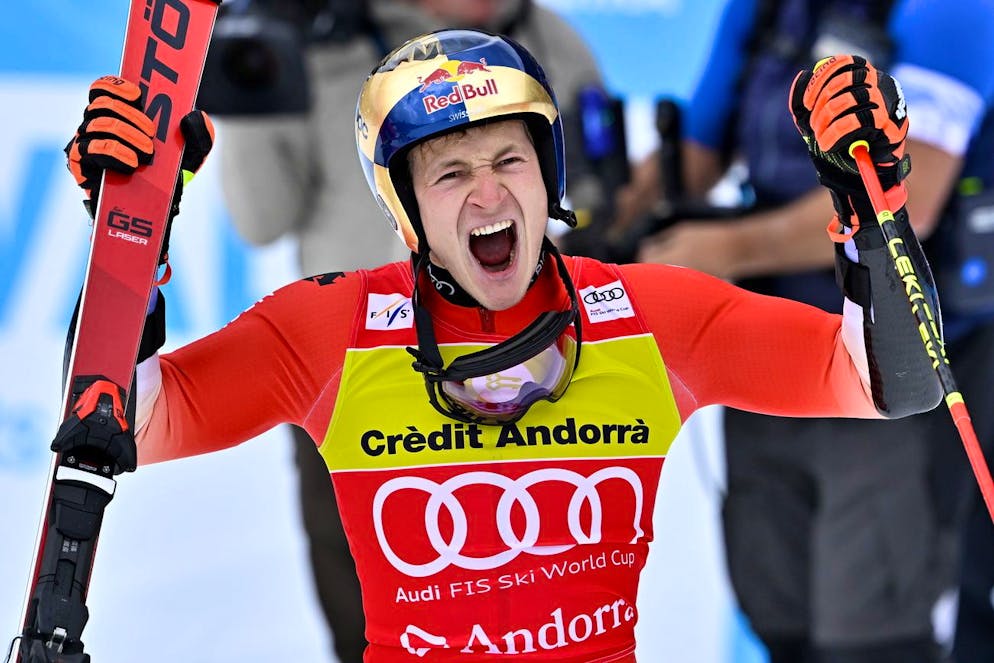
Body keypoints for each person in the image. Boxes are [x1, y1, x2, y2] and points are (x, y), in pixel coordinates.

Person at [68, 29, 944, 662]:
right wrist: (132, 236)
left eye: (508, 162)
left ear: (547, 176)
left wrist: (870, 209)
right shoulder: (330, 329)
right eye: (450, 173)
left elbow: (884, 383)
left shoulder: (646, 316)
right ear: (407, 210)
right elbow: (127, 420)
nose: (487, 196)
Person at [217, 3, 606, 659]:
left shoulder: (548, 39)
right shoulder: (314, 44)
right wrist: (250, 72)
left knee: (531, 631)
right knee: (370, 636)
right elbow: (260, 219)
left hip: (520, 386)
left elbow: (596, 199)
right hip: (348, 382)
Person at [614, 1, 994, 661]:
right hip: (773, 355)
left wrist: (727, 249)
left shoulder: (952, 8)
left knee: (874, 632)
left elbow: (911, 195)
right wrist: (605, 228)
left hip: (899, 368)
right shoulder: (763, 7)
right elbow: (695, 154)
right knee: (778, 609)